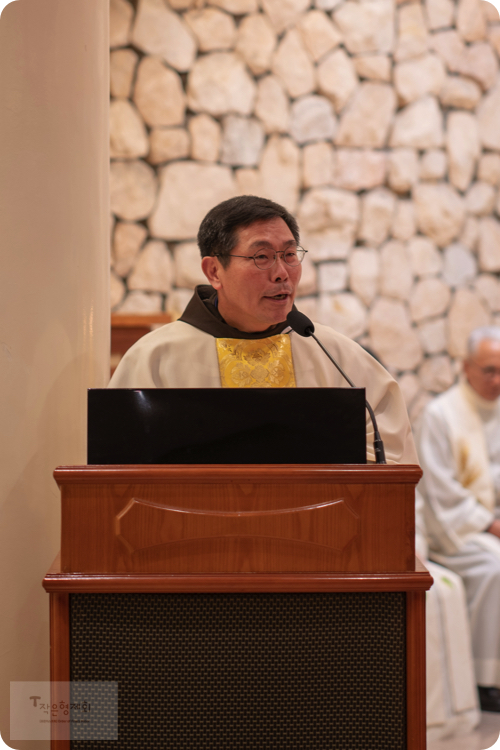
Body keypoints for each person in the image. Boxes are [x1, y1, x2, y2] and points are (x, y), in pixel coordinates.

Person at [109, 195, 417, 465]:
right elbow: (122, 471)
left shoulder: (337, 357)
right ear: (214, 271)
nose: (281, 273)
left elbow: (389, 459)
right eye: (262, 257)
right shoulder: (156, 359)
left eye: (289, 255)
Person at [416, 326, 500, 712]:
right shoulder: (441, 415)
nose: (496, 381)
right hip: (455, 529)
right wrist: (491, 524)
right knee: (494, 567)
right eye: (489, 370)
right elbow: (440, 492)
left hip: (488, 522)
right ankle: (487, 680)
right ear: (466, 367)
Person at [415, 490, 480, 739]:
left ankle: (457, 715)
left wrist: (413, 544)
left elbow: (411, 501)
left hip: (408, 545)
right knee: (432, 592)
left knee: (448, 587)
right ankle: (425, 718)